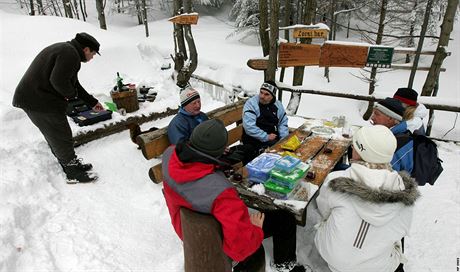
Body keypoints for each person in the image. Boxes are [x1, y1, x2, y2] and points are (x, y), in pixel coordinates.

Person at [162, 119, 305, 272]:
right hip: (215, 240)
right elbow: (240, 247)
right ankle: (285, 266)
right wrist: (256, 229)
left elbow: (196, 182)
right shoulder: (222, 192)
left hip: (189, 231)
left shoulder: (169, 154)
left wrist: (214, 159)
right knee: (285, 218)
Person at [314, 125, 420, 272]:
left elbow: (322, 210)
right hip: (380, 267)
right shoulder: (404, 192)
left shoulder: (336, 179)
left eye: (355, 145)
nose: (352, 147)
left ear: (360, 151)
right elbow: (401, 231)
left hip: (334, 258)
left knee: (328, 218)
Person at [12, 32, 104, 183]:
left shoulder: (67, 50)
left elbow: (74, 84)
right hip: (38, 100)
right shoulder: (70, 54)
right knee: (61, 135)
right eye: (93, 53)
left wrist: (92, 102)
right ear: (86, 49)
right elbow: (58, 81)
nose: (92, 57)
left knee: (56, 135)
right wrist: (71, 95)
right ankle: (72, 172)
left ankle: (69, 163)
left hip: (34, 98)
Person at [241, 81, 289, 164]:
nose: (262, 96)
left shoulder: (277, 105)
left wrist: (283, 139)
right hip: (253, 140)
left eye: (267, 94)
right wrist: (266, 136)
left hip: (272, 139)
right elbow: (249, 127)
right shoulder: (251, 104)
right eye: (261, 92)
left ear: (273, 96)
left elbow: (283, 122)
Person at [371, 97, 413, 174]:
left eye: (377, 114)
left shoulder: (397, 143)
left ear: (390, 118)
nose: (372, 117)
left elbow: (384, 178)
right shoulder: (392, 135)